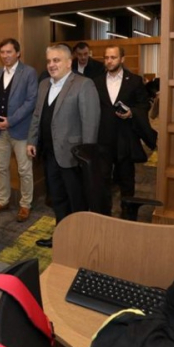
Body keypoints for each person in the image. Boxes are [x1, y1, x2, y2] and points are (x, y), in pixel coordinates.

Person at [27, 44, 100, 247]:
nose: (51, 65)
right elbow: (37, 115)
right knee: (57, 198)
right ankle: (62, 237)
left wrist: (86, 157)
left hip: (74, 156)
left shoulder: (84, 84)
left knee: (77, 201)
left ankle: (80, 241)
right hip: (50, 154)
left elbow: (90, 123)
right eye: (49, 61)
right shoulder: (44, 84)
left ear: (69, 62)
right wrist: (32, 140)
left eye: (56, 60)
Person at [93, 46, 152, 216]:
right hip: (102, 138)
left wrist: (132, 112)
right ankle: (104, 213)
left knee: (126, 179)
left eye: (113, 57)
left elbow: (144, 104)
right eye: (106, 57)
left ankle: (127, 214)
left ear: (122, 59)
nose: (109, 61)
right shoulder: (96, 82)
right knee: (103, 179)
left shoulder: (134, 81)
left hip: (125, 138)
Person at [0, 38, 38, 222]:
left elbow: (31, 101)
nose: (5, 55)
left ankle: (25, 204)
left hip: (20, 130)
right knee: (1, 167)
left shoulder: (28, 72)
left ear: (18, 53)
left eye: (9, 52)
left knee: (24, 169)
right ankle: (3, 200)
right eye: (2, 52)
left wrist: (11, 121)